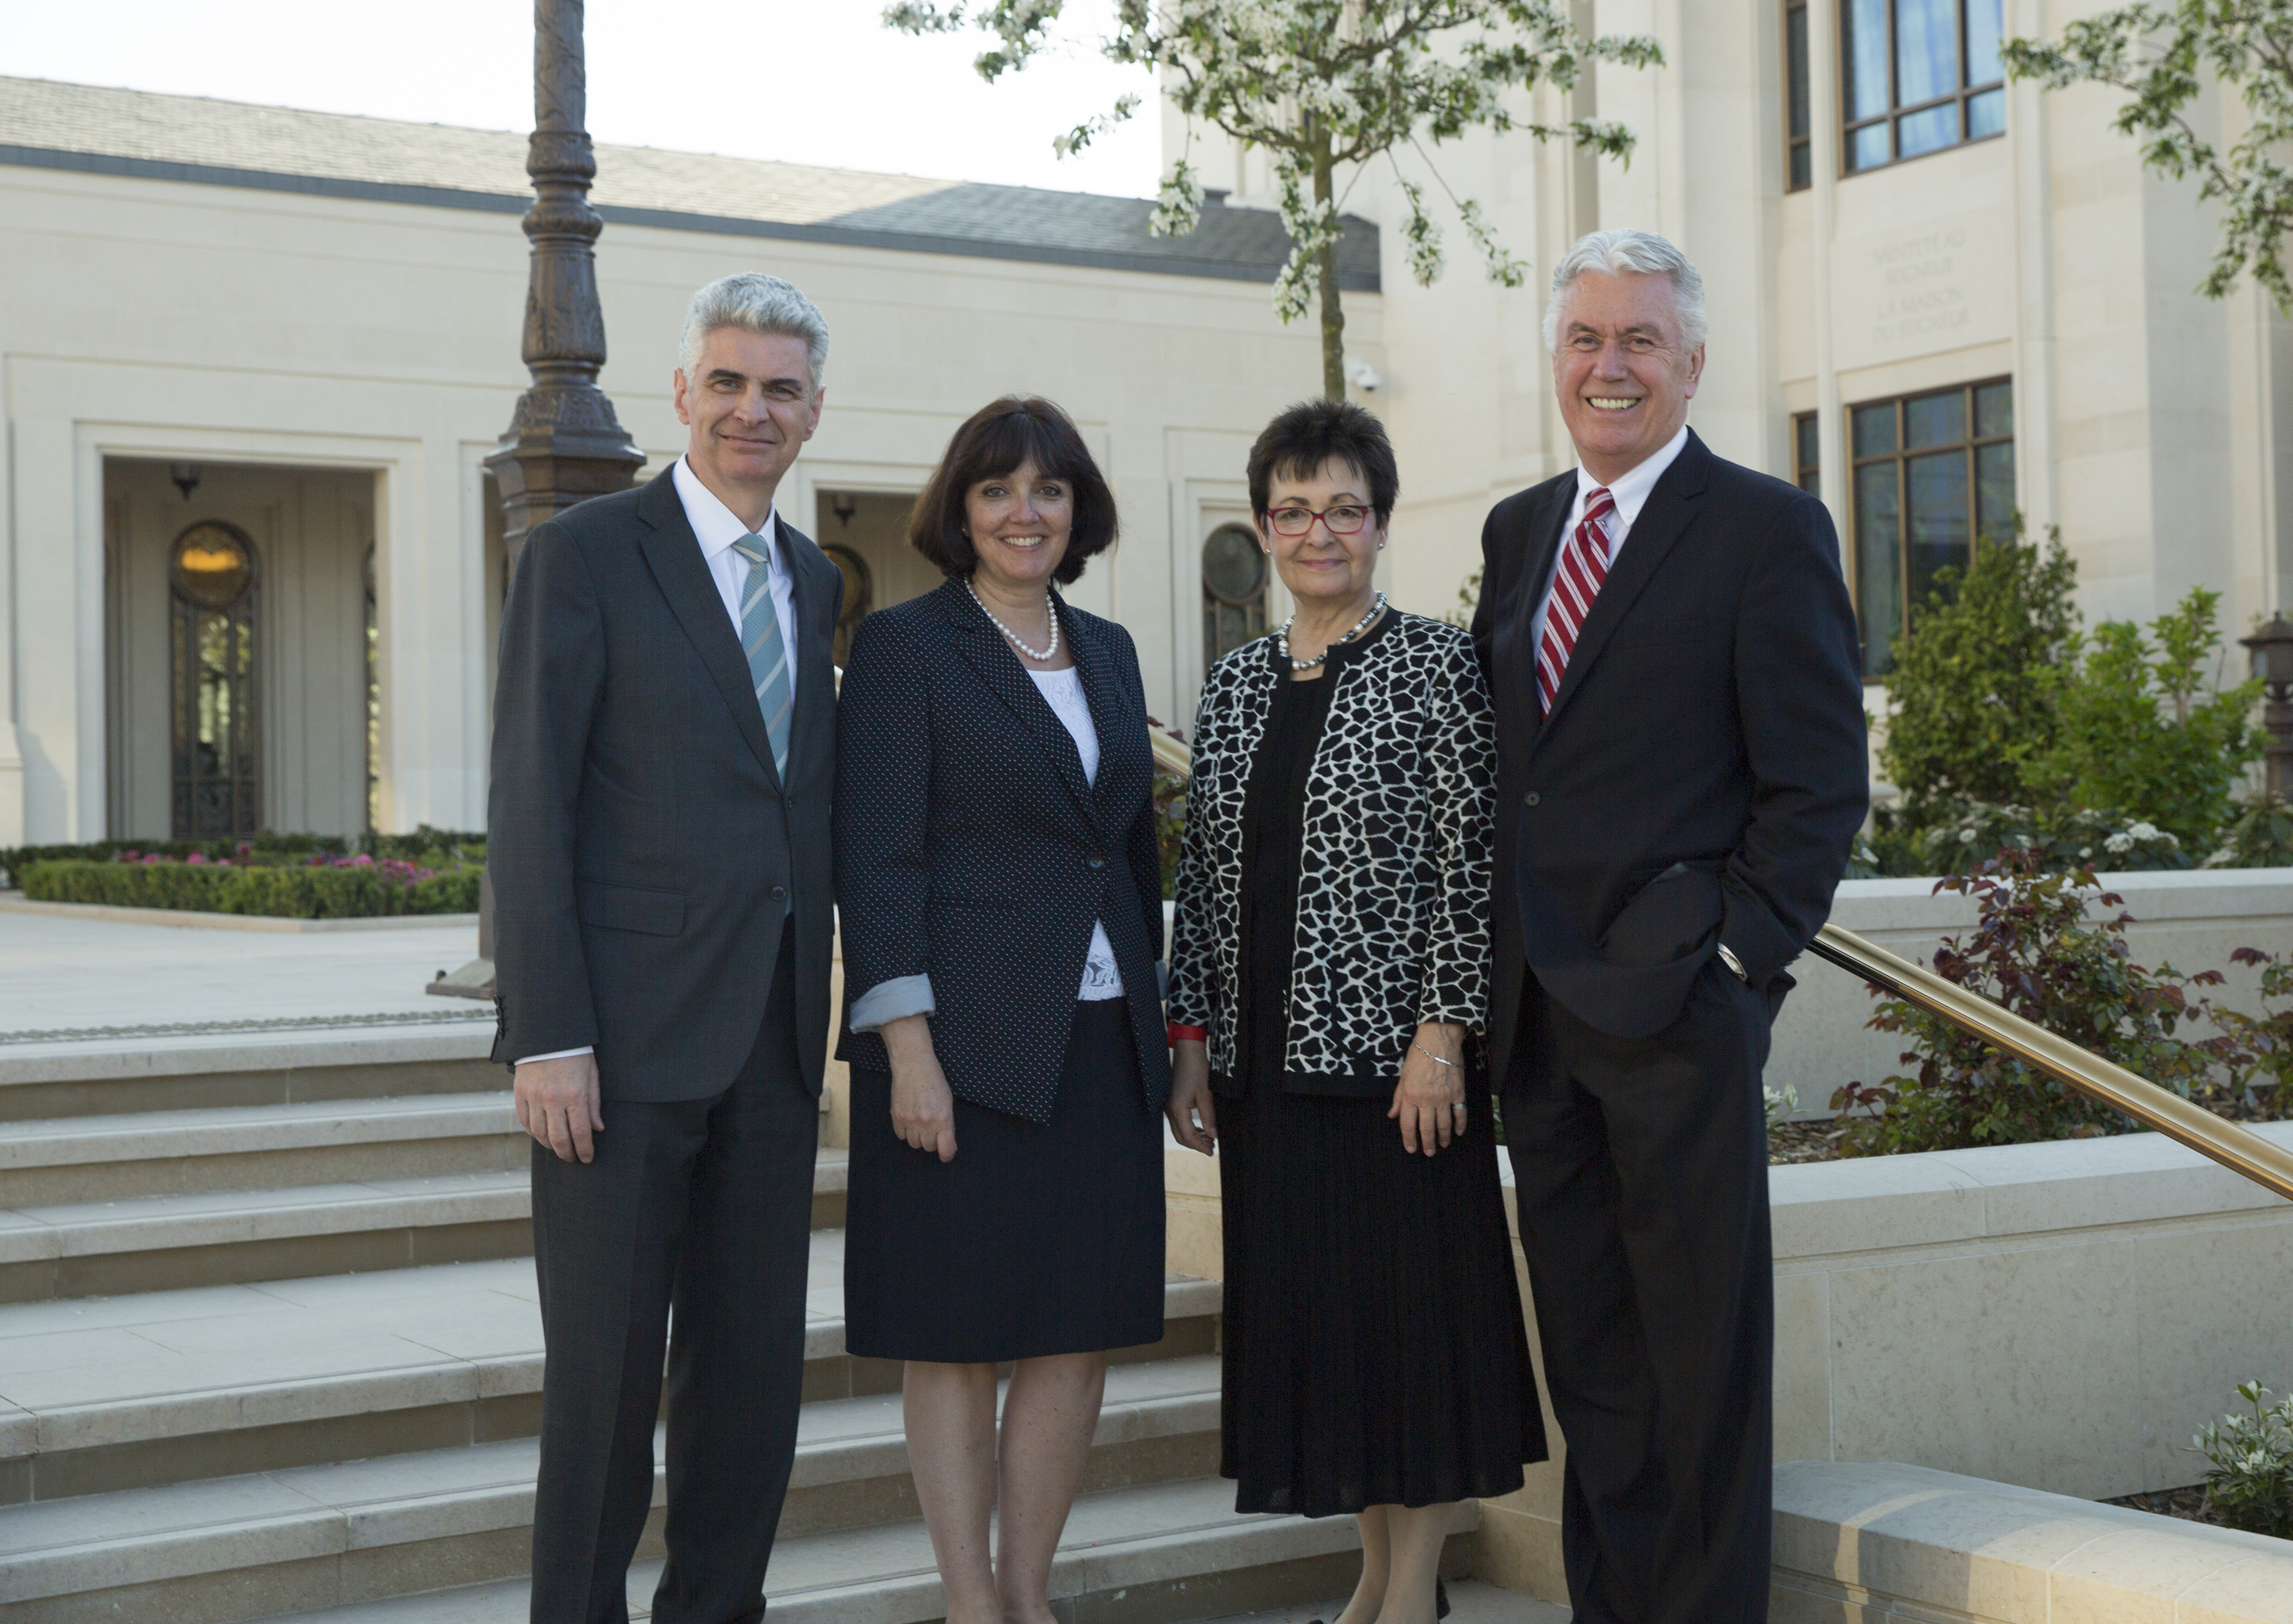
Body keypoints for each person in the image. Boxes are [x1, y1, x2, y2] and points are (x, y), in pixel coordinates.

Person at [1469, 229, 1868, 1624]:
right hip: (1537, 1021)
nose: (1611, 366)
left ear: (1693, 363)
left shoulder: (1766, 529)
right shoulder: (1520, 530)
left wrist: (1736, 964)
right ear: (1556, 362)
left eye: (1640, 340)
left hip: (1678, 1015)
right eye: (1586, 339)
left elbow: (1819, 785)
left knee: (1700, 1367)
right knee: (1593, 1360)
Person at [489, 272, 842, 1624]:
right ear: (683, 392)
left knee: (751, 1382)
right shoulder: (584, 555)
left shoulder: (813, 579)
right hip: (617, 1054)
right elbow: (533, 801)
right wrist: (548, 1033)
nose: (755, 409)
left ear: (814, 413)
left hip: (771, 1046)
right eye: (730, 382)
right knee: (603, 1387)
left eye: (782, 390)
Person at [1165, 399, 1546, 1624]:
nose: (1318, 532)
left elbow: (1471, 863)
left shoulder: (1437, 663)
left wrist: (1444, 1034)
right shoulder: (1235, 683)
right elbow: (1204, 878)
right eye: (1293, 510)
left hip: (1394, 1076)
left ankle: (1411, 1586)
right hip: (1265, 1079)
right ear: (1263, 526)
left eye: (1343, 508)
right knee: (1334, 1337)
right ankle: (1380, 1578)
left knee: (1409, 1331)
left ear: (1380, 522)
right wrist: (1191, 1043)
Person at [834, 396, 1171, 1624]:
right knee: (956, 1335)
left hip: (1101, 1040)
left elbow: (1126, 854)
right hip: (960, 1050)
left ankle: (1028, 1598)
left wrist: (1170, 1039)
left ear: (1079, 509)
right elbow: (878, 860)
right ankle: (970, 1603)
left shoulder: (1111, 650)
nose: (1025, 513)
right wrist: (907, 1051)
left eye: (1049, 490)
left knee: (1077, 1332)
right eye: (997, 490)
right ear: (960, 510)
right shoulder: (906, 648)